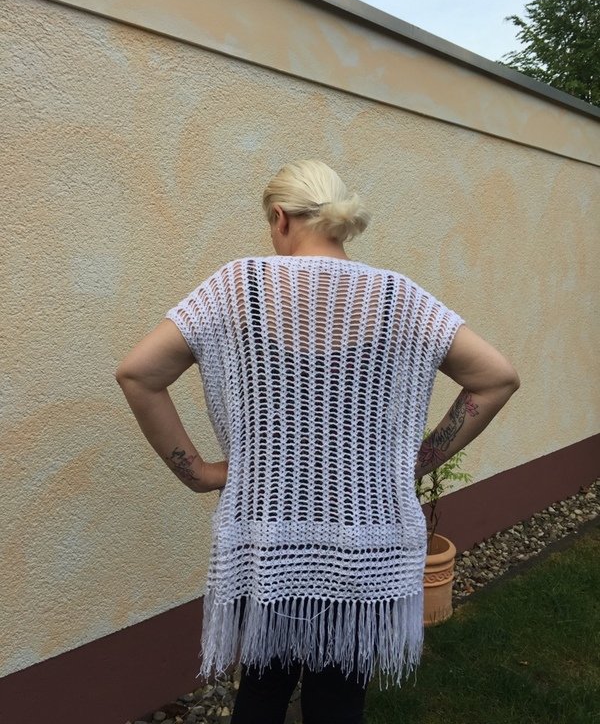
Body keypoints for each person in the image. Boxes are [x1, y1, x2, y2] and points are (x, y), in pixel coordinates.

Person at [115, 159, 519, 724]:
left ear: (281, 218)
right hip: (367, 544)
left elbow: (138, 374)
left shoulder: (237, 286)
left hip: (268, 539)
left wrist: (201, 474)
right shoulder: (401, 297)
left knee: (262, 692)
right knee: (339, 700)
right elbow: (497, 378)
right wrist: (418, 461)